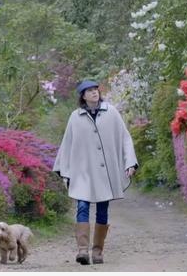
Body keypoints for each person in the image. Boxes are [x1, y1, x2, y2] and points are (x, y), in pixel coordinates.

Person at [53, 80, 138, 265]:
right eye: (89, 91)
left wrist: (129, 161)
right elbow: (67, 144)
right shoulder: (75, 117)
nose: (94, 93)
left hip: (104, 174)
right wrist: (65, 170)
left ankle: (97, 251)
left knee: (102, 210)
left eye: (95, 90)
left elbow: (125, 138)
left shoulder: (111, 112)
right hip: (82, 171)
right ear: (83, 96)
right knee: (82, 207)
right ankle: (82, 250)